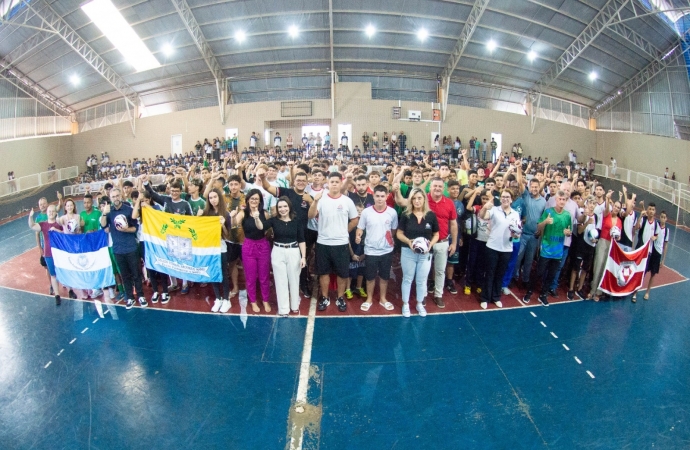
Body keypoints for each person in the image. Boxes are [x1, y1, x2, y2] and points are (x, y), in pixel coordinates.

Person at [308, 172, 359, 312]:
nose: (335, 184)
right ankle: (325, 297)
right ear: (327, 183)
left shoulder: (347, 201)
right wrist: (315, 201)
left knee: (343, 273)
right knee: (323, 273)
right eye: (332, 182)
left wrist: (344, 231)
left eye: (337, 182)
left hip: (341, 244)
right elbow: (311, 215)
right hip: (323, 243)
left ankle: (340, 297)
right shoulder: (321, 199)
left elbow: (355, 219)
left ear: (340, 183)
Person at [523, 190, 572, 307]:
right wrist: (545, 222)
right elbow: (538, 227)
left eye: (564, 199)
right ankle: (529, 292)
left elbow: (569, 232)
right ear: (556, 200)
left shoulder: (567, 215)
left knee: (551, 275)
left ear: (566, 201)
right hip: (546, 250)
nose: (561, 201)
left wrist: (568, 233)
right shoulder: (548, 212)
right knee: (539, 273)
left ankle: (543, 295)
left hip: (558, 252)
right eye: (560, 199)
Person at [101, 188, 147, 310]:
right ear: (110, 198)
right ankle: (130, 297)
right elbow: (103, 225)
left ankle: (141, 296)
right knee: (125, 276)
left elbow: (135, 228)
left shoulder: (129, 210)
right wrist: (104, 213)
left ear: (121, 196)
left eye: (117, 196)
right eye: (113, 197)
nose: (115, 198)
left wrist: (126, 229)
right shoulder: (109, 212)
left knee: (136, 274)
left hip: (131, 248)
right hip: (118, 250)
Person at [396, 188, 439, 317]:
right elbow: (399, 233)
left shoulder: (431, 215)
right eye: (414, 198)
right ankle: (405, 304)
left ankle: (420, 304)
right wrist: (409, 242)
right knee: (407, 279)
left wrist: (430, 244)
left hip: (426, 254)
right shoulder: (406, 215)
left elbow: (436, 234)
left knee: (421, 280)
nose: (417, 201)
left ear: (424, 199)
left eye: (419, 198)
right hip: (408, 252)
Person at [355, 185, 398, 312]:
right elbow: (360, 228)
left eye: (382, 196)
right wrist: (358, 235)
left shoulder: (392, 212)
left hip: (386, 251)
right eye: (377, 196)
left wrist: (389, 240)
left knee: (384, 276)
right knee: (370, 277)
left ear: (386, 197)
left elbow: (394, 229)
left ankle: (383, 299)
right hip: (371, 251)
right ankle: (369, 299)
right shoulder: (366, 212)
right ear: (373, 196)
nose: (380, 199)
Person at [479, 189, 521, 309]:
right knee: (490, 273)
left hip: (507, 249)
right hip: (492, 247)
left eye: (507, 197)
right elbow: (482, 216)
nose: (505, 199)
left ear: (511, 199)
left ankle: (496, 297)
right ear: (500, 198)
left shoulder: (515, 214)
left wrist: (516, 235)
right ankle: (485, 298)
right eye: (503, 196)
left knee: (500, 274)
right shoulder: (494, 210)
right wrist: (485, 207)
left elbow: (518, 232)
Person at [232, 189, 271, 313]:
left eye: (256, 199)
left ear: (260, 201)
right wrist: (232, 216)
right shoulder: (243, 213)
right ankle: (253, 301)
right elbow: (233, 224)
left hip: (263, 245)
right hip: (248, 246)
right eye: (252, 198)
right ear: (247, 199)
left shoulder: (265, 213)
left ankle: (265, 300)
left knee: (264, 276)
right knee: (250, 276)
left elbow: (268, 230)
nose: (254, 201)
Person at [268, 197, 306, 316]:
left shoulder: (296, 221)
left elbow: (301, 239)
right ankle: (283, 309)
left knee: (294, 279)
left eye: (285, 206)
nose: (283, 209)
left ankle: (294, 305)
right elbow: (260, 227)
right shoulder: (273, 220)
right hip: (278, 251)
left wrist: (303, 256)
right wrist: (256, 217)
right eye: (280, 207)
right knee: (280, 281)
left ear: (289, 207)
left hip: (293, 251)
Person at [426, 178, 458, 308]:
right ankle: (422, 295)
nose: (437, 188)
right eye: (435, 186)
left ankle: (438, 295)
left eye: (440, 186)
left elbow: (453, 223)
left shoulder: (449, 203)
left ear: (444, 188)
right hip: (425, 242)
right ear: (430, 187)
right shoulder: (423, 200)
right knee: (424, 271)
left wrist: (454, 243)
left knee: (440, 271)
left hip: (442, 241)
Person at [202, 189, 232, 313]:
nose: (213, 199)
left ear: (219, 198)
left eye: (215, 197)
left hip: (221, 246)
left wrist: (223, 225)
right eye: (210, 197)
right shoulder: (206, 213)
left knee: (223, 273)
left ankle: (226, 299)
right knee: (213, 272)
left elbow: (227, 235)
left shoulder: (225, 213)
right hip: (209, 247)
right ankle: (218, 298)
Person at [589, 191, 621, 301]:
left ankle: (598, 292)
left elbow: (619, 236)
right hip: (602, 242)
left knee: (604, 268)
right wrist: (607, 199)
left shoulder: (619, 222)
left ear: (620, 209)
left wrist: (617, 237)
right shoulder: (606, 214)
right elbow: (607, 208)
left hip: (611, 245)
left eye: (618, 207)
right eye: (615, 206)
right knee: (597, 266)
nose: (616, 208)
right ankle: (592, 290)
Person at [28, 205, 63, 305]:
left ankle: (70, 290)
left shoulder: (59, 224)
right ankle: (57, 295)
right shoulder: (43, 225)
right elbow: (32, 226)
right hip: (48, 254)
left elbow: (65, 234)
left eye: (53, 211)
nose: (51, 213)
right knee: (53, 274)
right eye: (49, 211)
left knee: (62, 272)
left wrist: (57, 230)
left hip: (59, 253)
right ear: (46, 213)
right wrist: (30, 217)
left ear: (56, 213)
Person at [635, 211, 668, 301]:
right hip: (651, 251)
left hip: (658, 254)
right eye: (661, 216)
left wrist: (663, 259)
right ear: (659, 217)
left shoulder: (667, 230)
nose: (662, 218)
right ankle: (636, 290)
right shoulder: (656, 225)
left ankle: (647, 292)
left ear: (666, 219)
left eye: (664, 217)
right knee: (644, 271)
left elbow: (665, 245)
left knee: (653, 274)